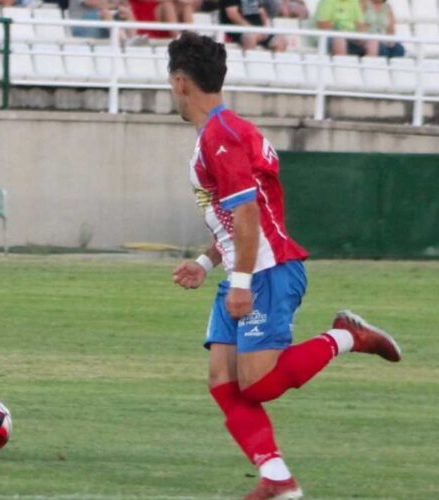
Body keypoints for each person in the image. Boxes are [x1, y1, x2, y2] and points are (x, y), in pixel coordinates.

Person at [166, 32, 402, 499]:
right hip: (246, 266)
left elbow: (251, 214)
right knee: (223, 378)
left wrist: (240, 282)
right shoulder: (221, 132)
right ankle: (276, 477)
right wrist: (206, 261)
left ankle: (346, 336)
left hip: (265, 272)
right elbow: (240, 218)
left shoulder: (221, 137)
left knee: (259, 384)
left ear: (179, 82)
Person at [219, 0, 288, 51]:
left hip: (257, 30)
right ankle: (250, 68)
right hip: (238, 29)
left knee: (281, 41)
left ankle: (272, 69)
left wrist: (265, 29)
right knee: (251, 38)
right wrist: (250, 28)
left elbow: (262, 12)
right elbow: (232, 14)